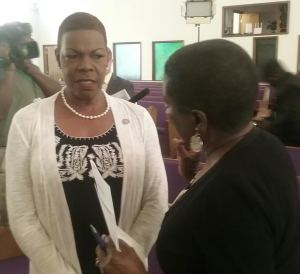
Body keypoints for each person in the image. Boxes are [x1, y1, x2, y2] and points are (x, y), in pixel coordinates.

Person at [96, 39, 300, 274]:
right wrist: (196, 177)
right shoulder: (266, 145)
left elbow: (226, 210)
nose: (169, 113)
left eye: (169, 105)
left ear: (199, 120)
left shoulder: (228, 197)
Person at [6, 12, 168, 274]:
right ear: (59, 57)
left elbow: (155, 198)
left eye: (96, 55)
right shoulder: (27, 122)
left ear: (108, 59)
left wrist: (126, 257)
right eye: (73, 55)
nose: (86, 65)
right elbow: (23, 216)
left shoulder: (137, 118)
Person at [0, 22, 61, 225]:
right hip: (6, 156)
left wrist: (33, 70)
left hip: (39, 152)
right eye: (22, 41)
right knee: (18, 222)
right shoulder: (4, 72)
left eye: (29, 37)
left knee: (44, 218)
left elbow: (61, 98)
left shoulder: (32, 71)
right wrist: (8, 66)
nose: (28, 43)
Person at [259, 59, 300, 146]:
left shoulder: (289, 87)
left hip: (293, 137)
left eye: (268, 79)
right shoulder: (288, 80)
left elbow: (290, 116)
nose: (268, 83)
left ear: (274, 75)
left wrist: (270, 125)